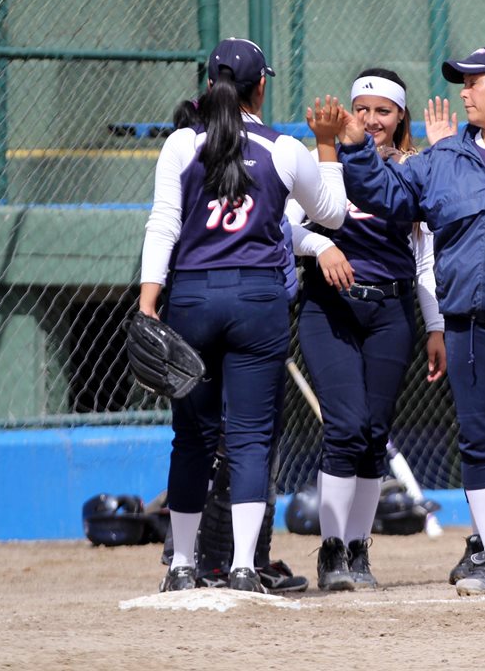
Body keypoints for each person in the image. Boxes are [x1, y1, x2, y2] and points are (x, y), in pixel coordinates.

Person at [337, 45, 485, 597]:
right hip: (470, 316)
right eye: (462, 82)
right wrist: (354, 149)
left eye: (476, 81)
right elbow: (385, 194)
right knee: (480, 437)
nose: (464, 91)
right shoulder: (445, 158)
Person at [141, 37, 347, 593]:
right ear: (261, 86)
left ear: (209, 87)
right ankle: (241, 568)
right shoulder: (283, 149)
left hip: (193, 298)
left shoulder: (182, 144)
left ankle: (182, 566)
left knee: (192, 438)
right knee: (252, 438)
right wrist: (326, 148)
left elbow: (163, 223)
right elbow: (332, 213)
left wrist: (148, 298)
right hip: (258, 300)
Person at [287, 67, 447, 591]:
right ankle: (331, 552)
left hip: (391, 312)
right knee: (346, 427)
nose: (372, 120)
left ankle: (357, 550)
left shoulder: (412, 170)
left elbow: (424, 259)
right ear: (348, 112)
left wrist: (435, 326)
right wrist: (321, 245)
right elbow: (282, 229)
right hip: (329, 308)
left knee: (375, 435)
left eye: (384, 111)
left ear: (400, 116)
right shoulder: (320, 161)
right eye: (363, 109)